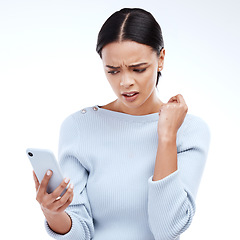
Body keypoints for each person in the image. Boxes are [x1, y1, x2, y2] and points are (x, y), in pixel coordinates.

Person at [33, 8, 211, 240]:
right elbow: (79, 233)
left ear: (161, 59)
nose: (125, 82)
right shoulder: (79, 127)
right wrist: (52, 212)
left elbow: (167, 229)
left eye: (138, 69)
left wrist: (167, 137)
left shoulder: (189, 131)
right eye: (113, 71)